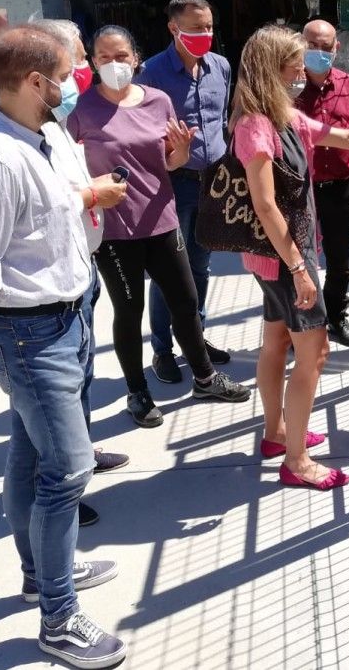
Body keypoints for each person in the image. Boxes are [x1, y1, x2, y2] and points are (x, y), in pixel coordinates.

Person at [0, 25, 128, 669]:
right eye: (68, 73)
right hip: (27, 332)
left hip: (64, 316)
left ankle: (39, 574)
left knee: (31, 452)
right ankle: (58, 616)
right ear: (33, 83)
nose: (78, 81)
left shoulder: (40, 137)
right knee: (69, 470)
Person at [232, 25, 349, 490]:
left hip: (275, 258)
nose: (299, 67)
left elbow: (344, 138)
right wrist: (299, 270)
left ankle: (275, 433)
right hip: (287, 258)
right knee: (315, 352)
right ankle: (296, 460)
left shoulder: (282, 115)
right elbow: (266, 205)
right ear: (273, 66)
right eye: (293, 60)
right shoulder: (257, 126)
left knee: (276, 342)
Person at [69, 24, 251, 427]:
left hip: (162, 219)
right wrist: (87, 194)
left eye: (121, 56)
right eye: (103, 58)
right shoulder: (81, 110)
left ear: (136, 58)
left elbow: (170, 161)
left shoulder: (158, 100)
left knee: (185, 302)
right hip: (116, 231)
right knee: (128, 311)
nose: (114, 64)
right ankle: (137, 392)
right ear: (94, 63)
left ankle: (204, 377)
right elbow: (62, 164)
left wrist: (181, 152)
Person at [33, 20, 129, 526]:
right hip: (48, 292)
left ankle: (83, 454)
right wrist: (94, 195)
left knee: (83, 376)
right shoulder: (17, 141)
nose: (83, 77)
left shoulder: (51, 126)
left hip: (79, 267)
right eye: (72, 69)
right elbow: (39, 206)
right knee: (55, 404)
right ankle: (62, 493)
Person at [137, 0, 232, 384]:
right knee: (167, 273)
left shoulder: (221, 67)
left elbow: (222, 119)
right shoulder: (152, 74)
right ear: (174, 29)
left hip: (213, 182)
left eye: (209, 26)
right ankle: (162, 351)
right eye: (196, 28)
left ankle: (195, 337)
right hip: (172, 185)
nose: (205, 34)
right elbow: (137, 133)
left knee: (201, 267)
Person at [294, 19, 349, 347]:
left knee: (340, 259)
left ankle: (336, 317)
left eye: (326, 47)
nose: (319, 53)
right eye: (313, 46)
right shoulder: (288, 86)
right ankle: (302, 325)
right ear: (300, 44)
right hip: (299, 188)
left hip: (339, 186)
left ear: (336, 48)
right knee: (299, 259)